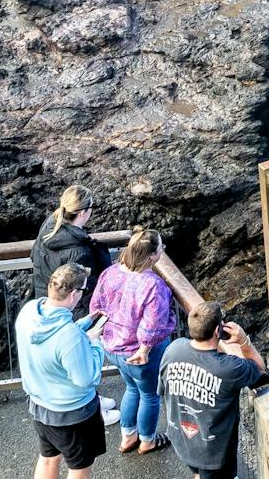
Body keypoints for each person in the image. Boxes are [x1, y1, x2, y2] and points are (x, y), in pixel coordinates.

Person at [20, 261, 119, 479]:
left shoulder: (29, 313)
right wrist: (94, 342)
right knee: (78, 468)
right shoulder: (68, 336)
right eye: (83, 290)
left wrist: (84, 323)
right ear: (74, 293)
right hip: (72, 413)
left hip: (40, 405)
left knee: (47, 459)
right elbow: (86, 379)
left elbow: (55, 341)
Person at [91, 227, 179, 455]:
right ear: (152, 255)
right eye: (161, 247)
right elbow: (153, 324)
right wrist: (145, 349)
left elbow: (97, 307)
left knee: (131, 389)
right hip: (140, 352)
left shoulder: (110, 273)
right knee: (150, 395)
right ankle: (148, 440)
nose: (162, 250)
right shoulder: (152, 284)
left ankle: (128, 437)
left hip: (113, 347)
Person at [160, 301, 269, 479]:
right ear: (218, 331)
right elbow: (259, 368)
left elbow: (163, 388)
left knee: (198, 471)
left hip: (181, 438)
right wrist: (243, 340)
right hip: (213, 452)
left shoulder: (174, 349)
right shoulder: (229, 368)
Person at [32, 184, 109, 316]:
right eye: (91, 206)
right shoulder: (80, 251)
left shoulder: (49, 227)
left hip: (45, 304)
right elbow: (84, 293)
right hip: (70, 313)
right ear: (82, 212)